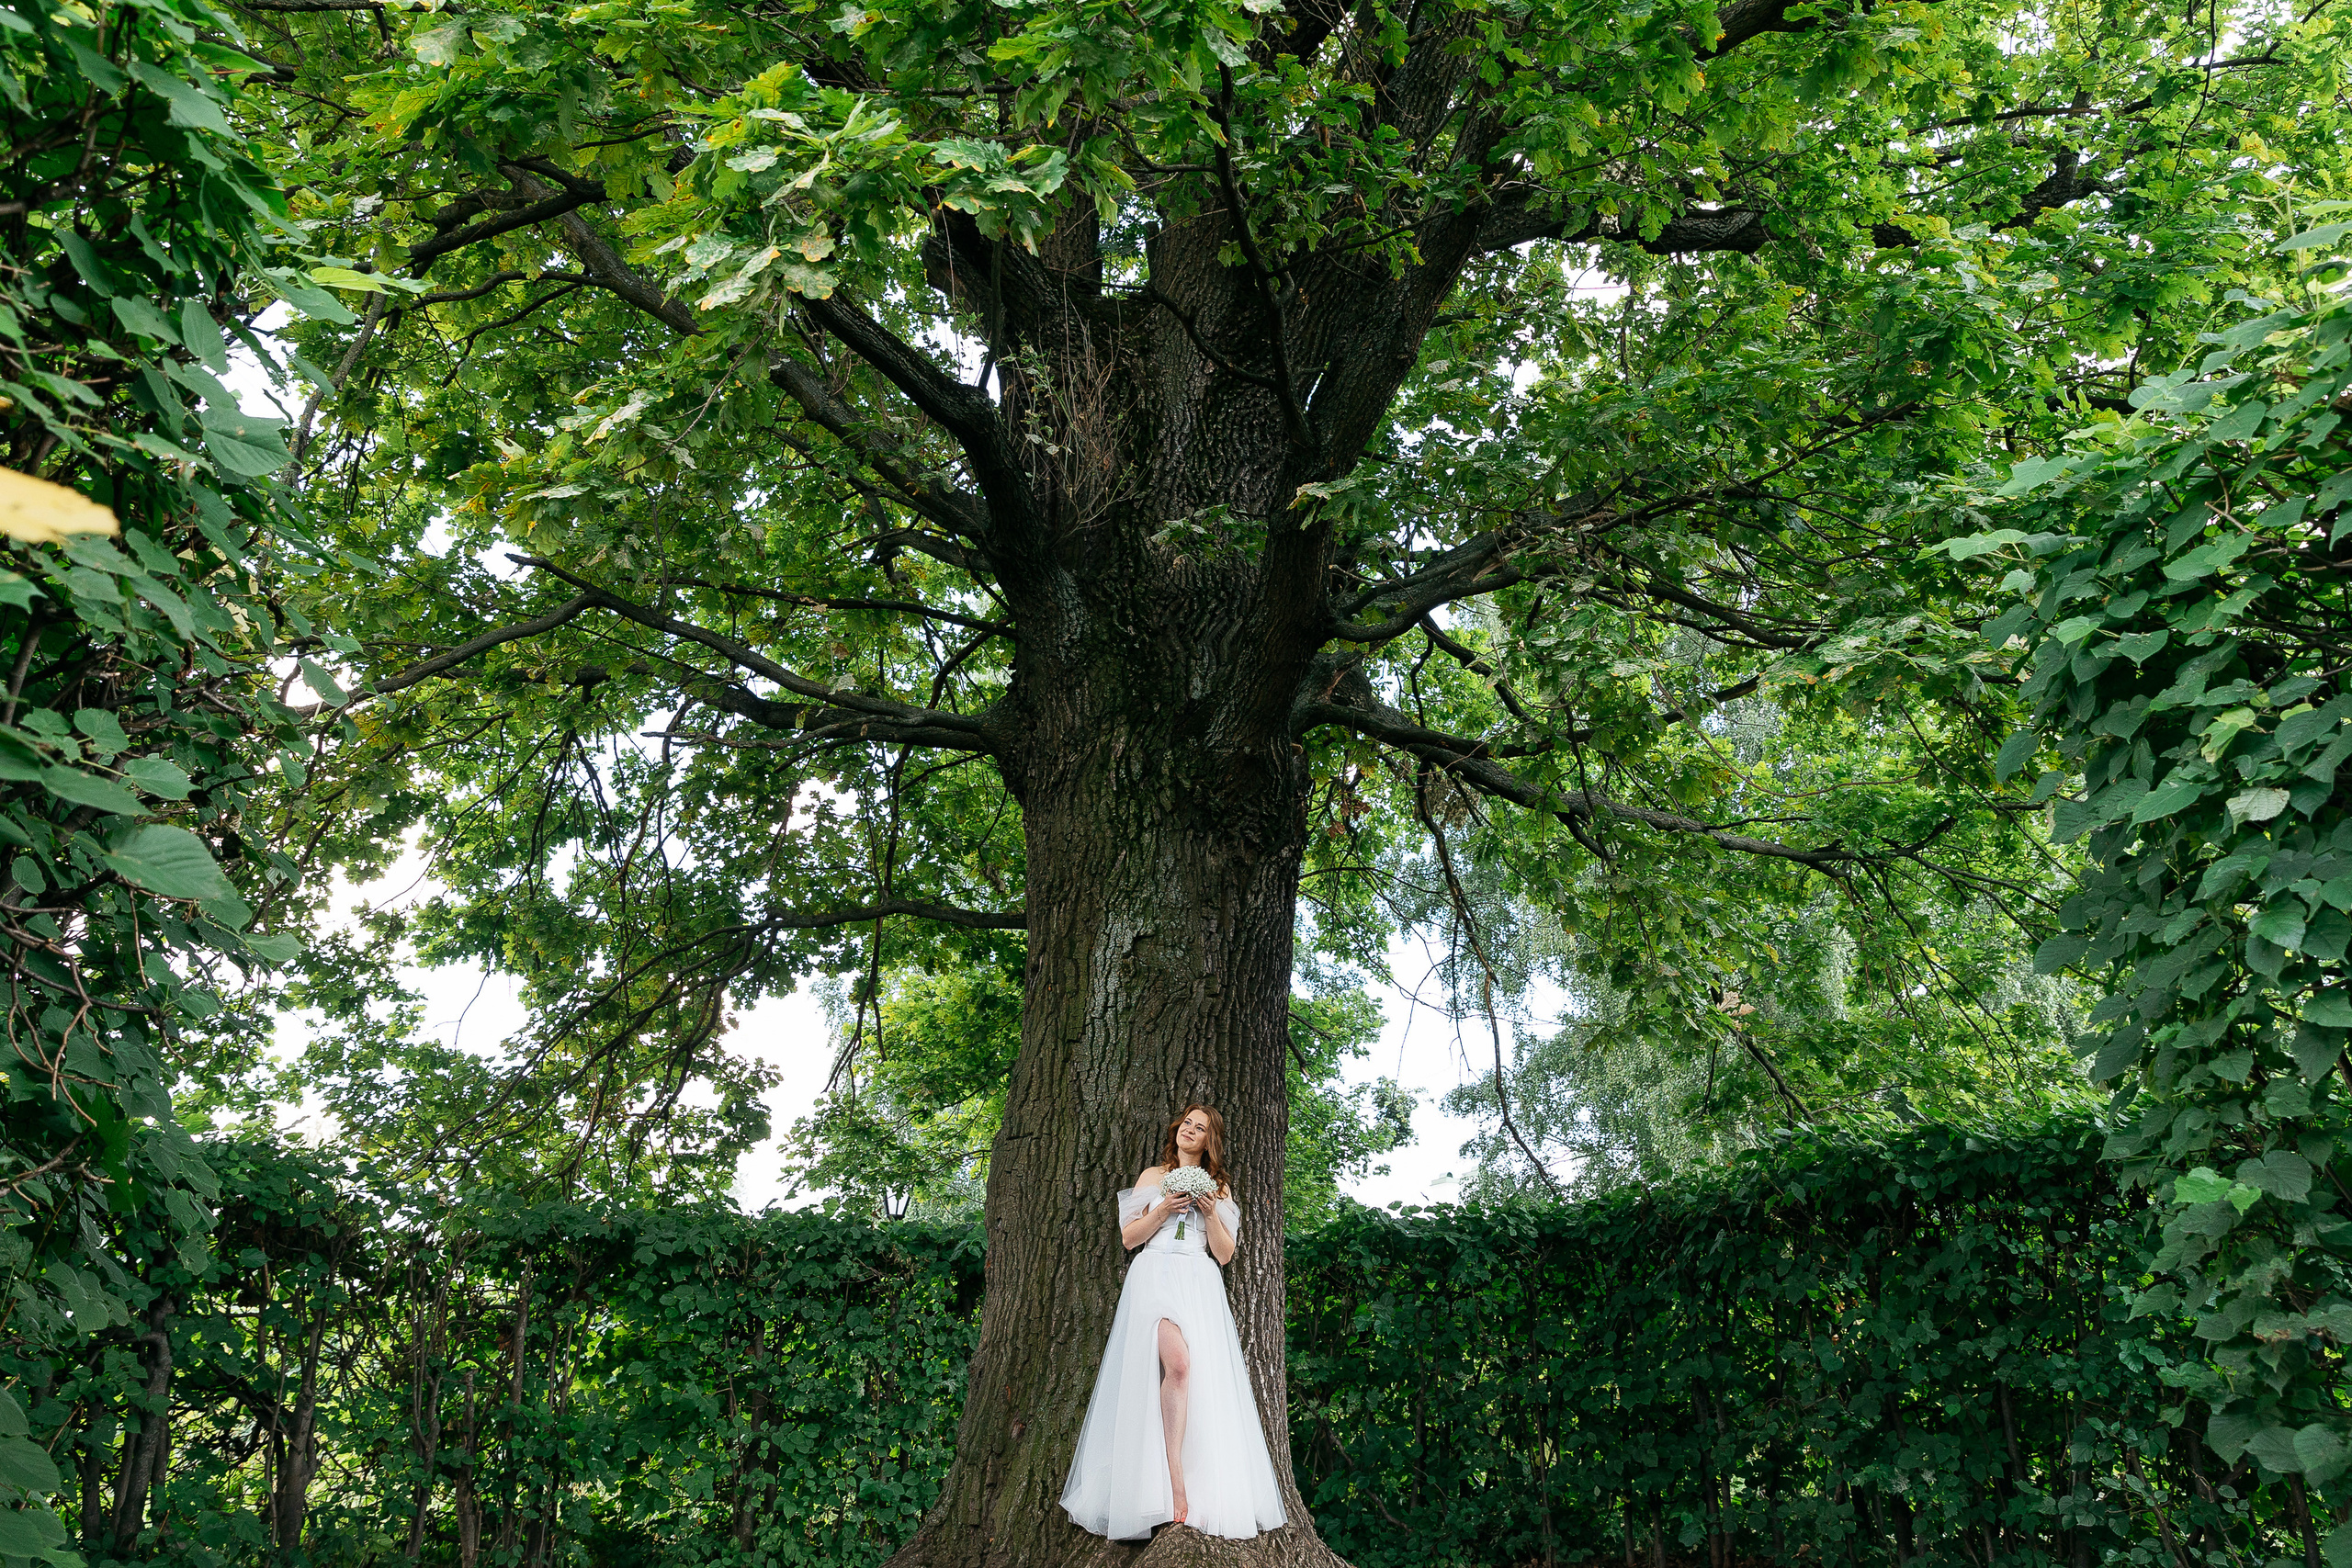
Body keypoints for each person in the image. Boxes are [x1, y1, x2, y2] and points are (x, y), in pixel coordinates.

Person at [1059, 1103, 1288, 1541]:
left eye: (1200, 1128)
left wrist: (1208, 1212)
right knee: (1178, 1366)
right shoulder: (1152, 1176)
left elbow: (1224, 1253)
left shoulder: (1220, 1190)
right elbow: (1129, 1238)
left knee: (1195, 1381)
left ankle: (1192, 1481)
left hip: (1198, 1279)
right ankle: (1174, 1480)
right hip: (1155, 1275)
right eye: (1187, 1123)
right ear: (1177, 1129)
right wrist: (1164, 1208)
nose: (1190, 1131)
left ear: (1209, 1142)